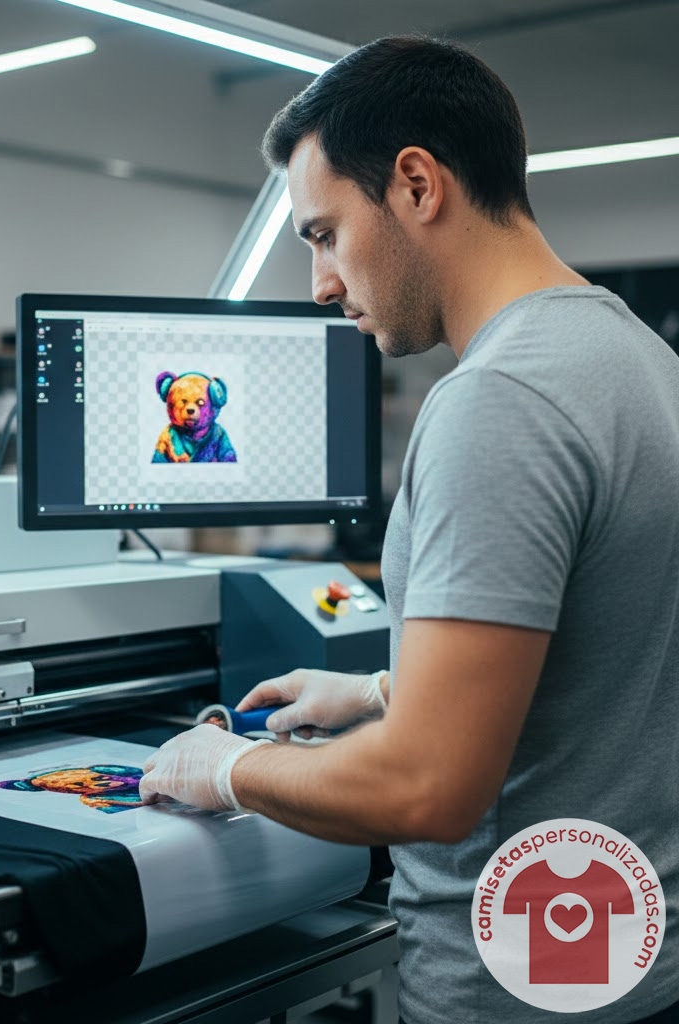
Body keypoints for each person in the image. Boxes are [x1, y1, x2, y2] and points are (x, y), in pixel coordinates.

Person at [138, 35, 679, 1024]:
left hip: (511, 985)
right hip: (624, 959)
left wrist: (226, 768)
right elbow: (618, 642)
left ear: (417, 185)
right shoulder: (636, 358)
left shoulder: (499, 401)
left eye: (324, 233)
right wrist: (385, 685)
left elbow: (430, 787)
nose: (319, 283)